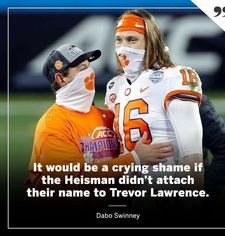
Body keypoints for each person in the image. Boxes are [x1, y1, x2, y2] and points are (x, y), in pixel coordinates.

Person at [28, 44, 173, 188]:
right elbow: (74, 180)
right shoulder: (52, 125)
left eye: (89, 66)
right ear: (60, 79)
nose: (90, 72)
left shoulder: (106, 116)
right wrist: (135, 159)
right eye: (82, 69)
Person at [105, 9, 204, 188]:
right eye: (118, 40)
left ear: (150, 42)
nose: (122, 48)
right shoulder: (114, 86)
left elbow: (193, 153)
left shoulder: (174, 77)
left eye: (132, 40)